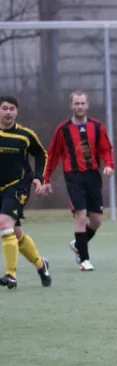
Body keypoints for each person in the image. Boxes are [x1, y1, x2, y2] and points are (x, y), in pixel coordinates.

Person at [42, 91, 114, 271]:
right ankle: (84, 259)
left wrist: (109, 165)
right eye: (76, 104)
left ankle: (78, 245)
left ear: (87, 105)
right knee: (80, 215)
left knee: (96, 220)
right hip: (73, 176)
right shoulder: (63, 129)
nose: (79, 107)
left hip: (93, 175)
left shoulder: (97, 127)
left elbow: (106, 149)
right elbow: (53, 155)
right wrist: (46, 178)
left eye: (82, 103)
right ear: (71, 106)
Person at [0, 95, 51, 289]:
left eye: (12, 109)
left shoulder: (25, 135)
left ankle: (10, 275)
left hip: (18, 185)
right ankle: (40, 264)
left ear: (17, 112)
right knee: (15, 233)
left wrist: (39, 177)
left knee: (4, 223)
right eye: (4, 108)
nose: (8, 112)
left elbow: (41, 154)